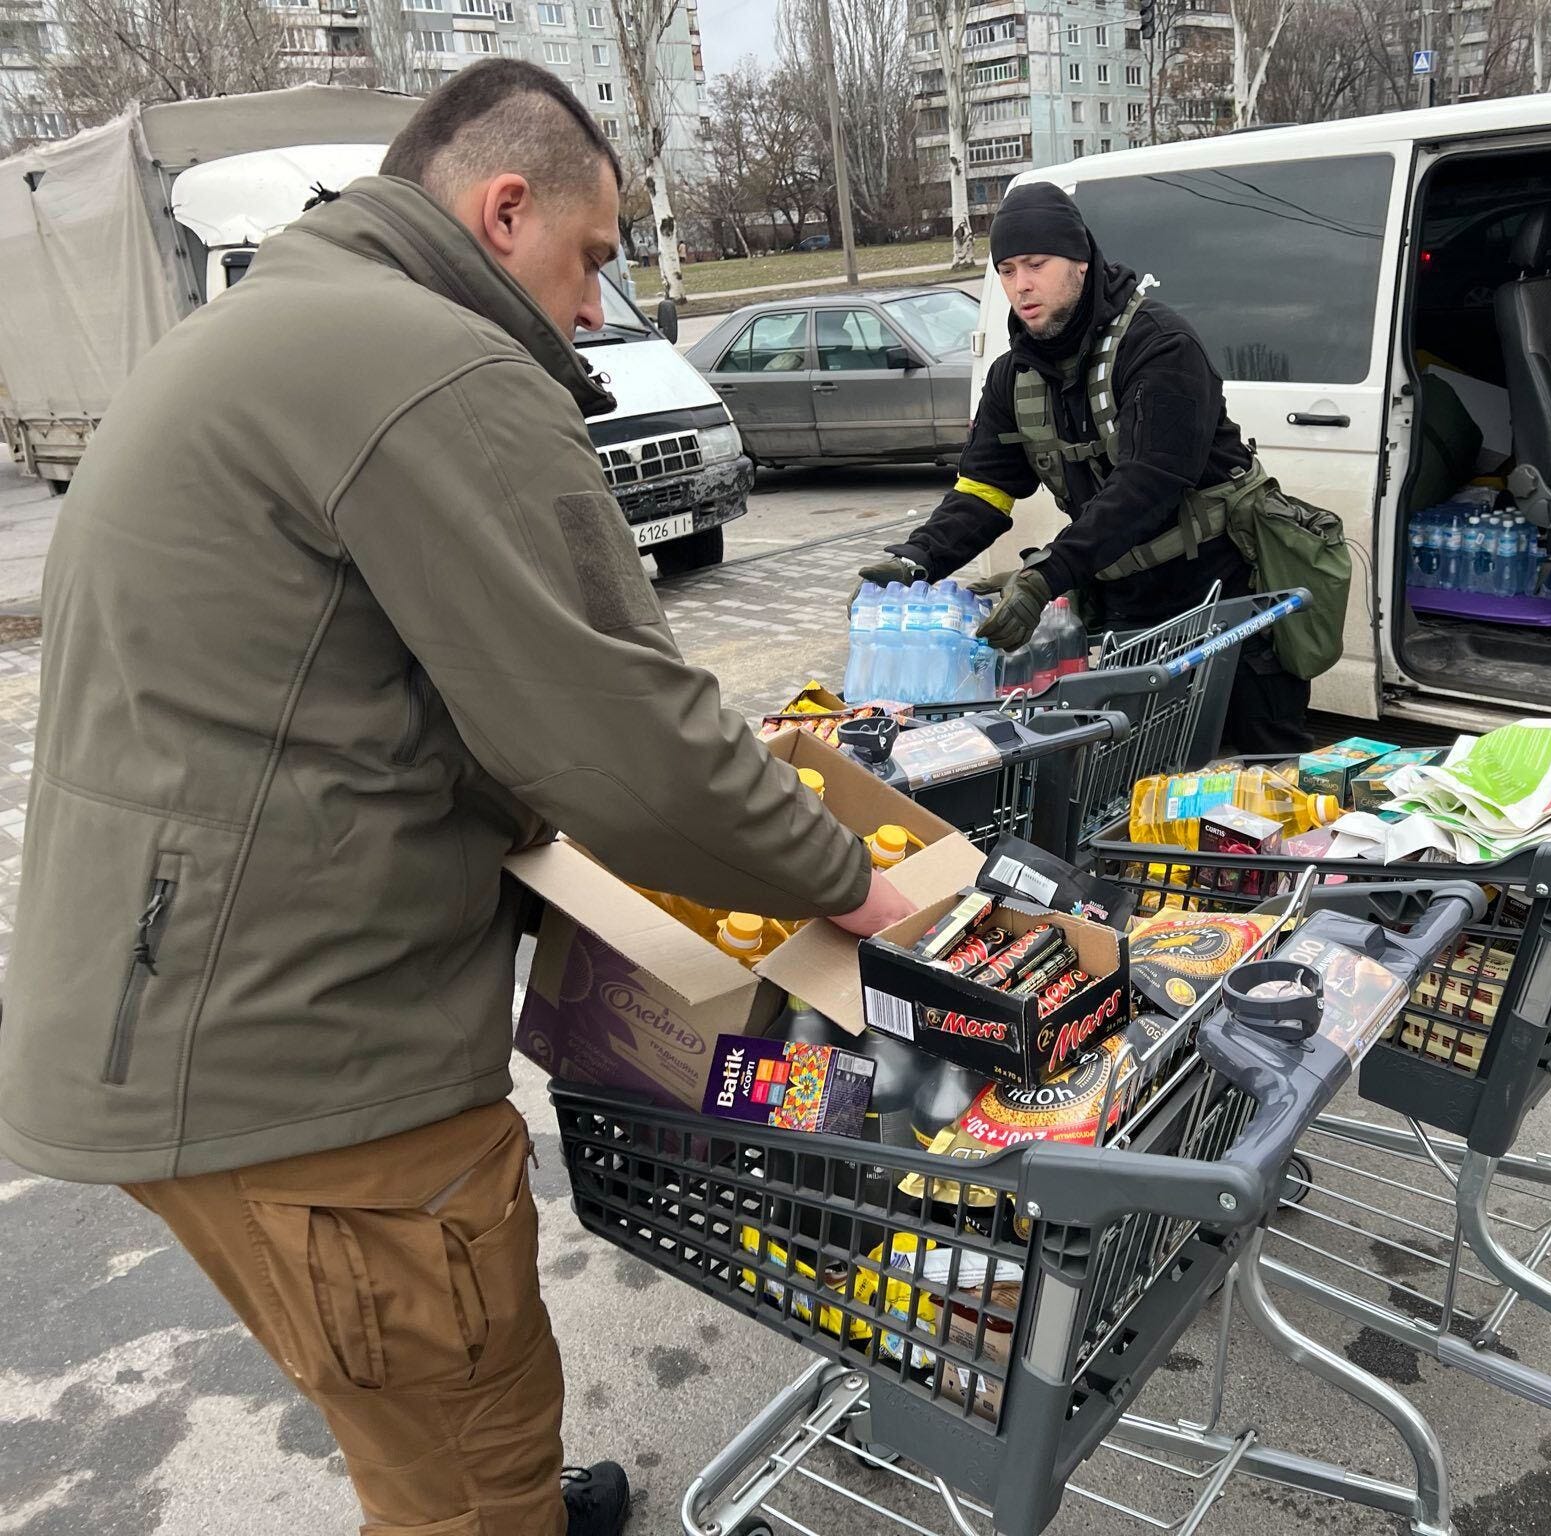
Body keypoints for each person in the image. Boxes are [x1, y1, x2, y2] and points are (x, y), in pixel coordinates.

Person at [0, 60, 914, 1536]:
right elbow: (621, 728)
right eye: (593, 259)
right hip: (307, 1062)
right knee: (465, 1465)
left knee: (423, 1419)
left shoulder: (288, 322)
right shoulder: (440, 366)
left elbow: (397, 683)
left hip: (179, 1009)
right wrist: (839, 875)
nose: (600, 309)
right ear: (505, 209)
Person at [860, 182, 1315, 754]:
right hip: (1126, 616)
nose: (1020, 285)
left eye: (1036, 264)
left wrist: (1046, 573)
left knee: (1264, 777)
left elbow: (1148, 486)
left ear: (1080, 261)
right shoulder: (1013, 378)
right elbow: (984, 492)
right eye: (1005, 270)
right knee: (1142, 788)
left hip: (1227, 605)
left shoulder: (1161, 345)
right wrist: (918, 557)